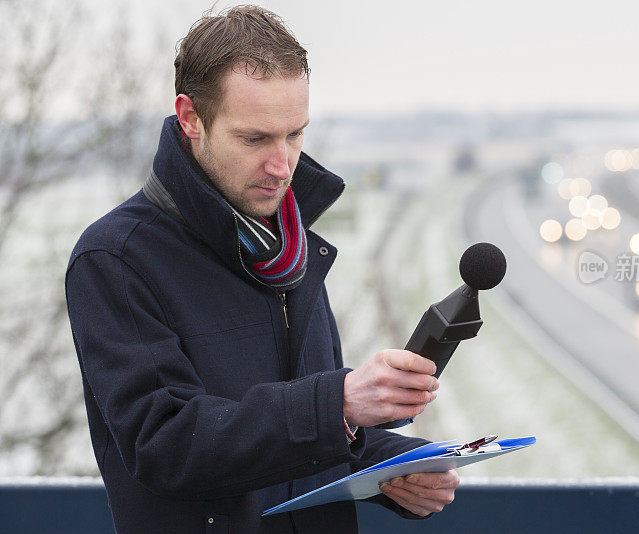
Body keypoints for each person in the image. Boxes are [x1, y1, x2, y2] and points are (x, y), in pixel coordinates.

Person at [65, 6, 458, 533]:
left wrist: (396, 467)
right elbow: (165, 444)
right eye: (254, 139)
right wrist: (337, 401)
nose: (283, 165)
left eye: (295, 134)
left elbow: (293, 445)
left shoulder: (291, 247)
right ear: (190, 118)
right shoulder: (114, 258)